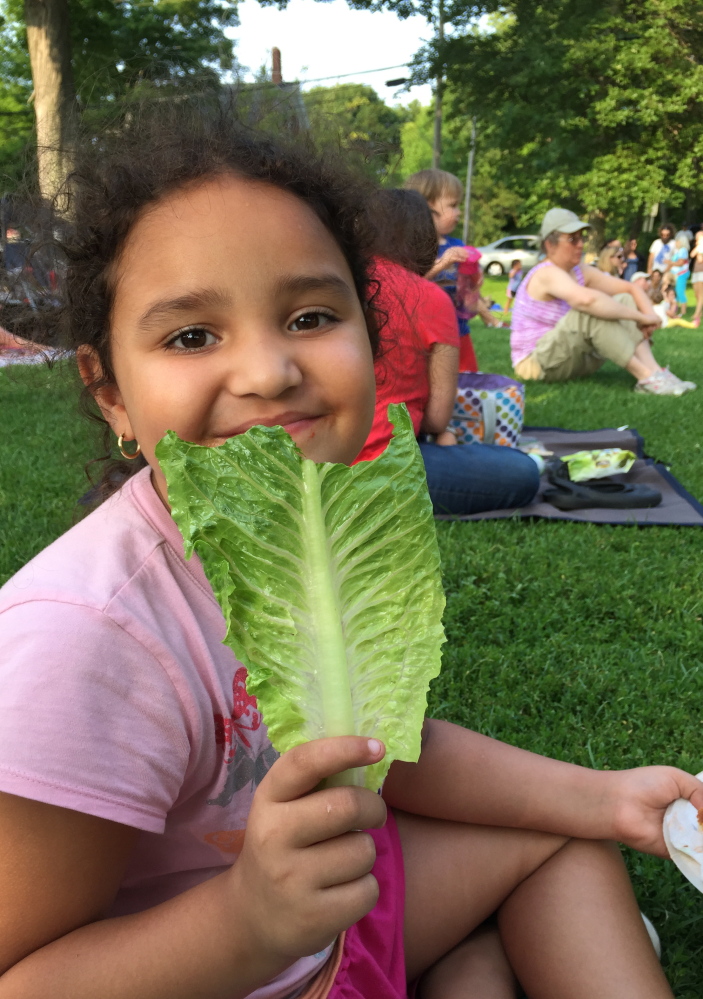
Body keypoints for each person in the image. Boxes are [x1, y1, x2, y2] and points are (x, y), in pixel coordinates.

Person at [0, 107, 701, 999]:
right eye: (190, 335)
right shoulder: (84, 637)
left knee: (561, 841)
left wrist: (603, 795)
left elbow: (382, 750)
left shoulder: (316, 540)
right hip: (240, 966)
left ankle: (470, 961)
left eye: (308, 315)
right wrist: (245, 922)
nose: (267, 371)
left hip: (338, 927)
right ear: (111, 395)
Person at [357, 189, 540, 516]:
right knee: (522, 471)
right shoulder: (429, 298)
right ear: (424, 237)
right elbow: (437, 418)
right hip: (382, 467)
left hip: (312, 456)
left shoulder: (332, 284)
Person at [511, 207, 696, 395]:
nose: (580, 244)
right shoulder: (546, 273)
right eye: (572, 239)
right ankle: (645, 377)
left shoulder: (579, 271)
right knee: (589, 312)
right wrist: (640, 317)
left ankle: (656, 372)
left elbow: (631, 289)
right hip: (535, 365)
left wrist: (650, 316)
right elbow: (587, 301)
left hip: (568, 357)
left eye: (581, 237)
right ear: (550, 245)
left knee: (623, 299)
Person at [403, 168, 487, 370]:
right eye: (453, 205)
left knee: (465, 380)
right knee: (431, 382)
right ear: (426, 206)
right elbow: (407, 284)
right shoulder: (412, 247)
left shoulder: (456, 244)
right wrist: (443, 262)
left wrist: (475, 277)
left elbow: (468, 291)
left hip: (458, 329)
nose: (459, 212)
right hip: (424, 332)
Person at [667, 231, 690, 318]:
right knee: (675, 292)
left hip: (680, 274)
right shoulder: (679, 251)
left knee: (680, 291)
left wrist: (669, 262)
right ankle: (675, 310)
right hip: (676, 274)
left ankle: (683, 311)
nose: (675, 243)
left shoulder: (683, 251)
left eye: (677, 241)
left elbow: (680, 263)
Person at [690, 230, 703, 326]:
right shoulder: (698, 247)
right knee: (696, 294)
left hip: (702, 272)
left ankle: (697, 313)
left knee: (701, 294)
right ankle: (700, 310)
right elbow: (691, 254)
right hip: (695, 271)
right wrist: (698, 248)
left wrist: (699, 250)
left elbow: (700, 259)